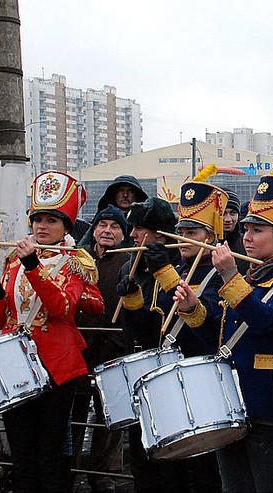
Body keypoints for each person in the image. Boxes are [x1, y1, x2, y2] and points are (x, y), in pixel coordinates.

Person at [0, 170, 103, 492]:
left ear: (66, 226)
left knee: (50, 453)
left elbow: (62, 308)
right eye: (38, 219)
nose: (41, 226)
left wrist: (33, 268)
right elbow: (2, 321)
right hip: (14, 366)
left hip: (54, 366)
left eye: (52, 220)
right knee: (21, 454)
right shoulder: (14, 260)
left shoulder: (75, 262)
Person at [211, 165, 273, 492]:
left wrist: (229, 276)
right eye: (246, 230)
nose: (246, 237)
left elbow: (264, 321)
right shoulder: (249, 278)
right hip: (233, 404)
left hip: (267, 407)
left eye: (257, 231)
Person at [145, 174, 228, 491]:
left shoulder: (222, 273)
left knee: (207, 469)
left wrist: (166, 276)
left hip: (205, 374)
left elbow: (210, 327)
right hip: (173, 370)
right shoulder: (178, 268)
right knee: (173, 467)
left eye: (190, 233)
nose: (181, 239)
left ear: (209, 236)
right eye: (179, 232)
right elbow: (159, 315)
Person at [114, 196, 181, 492]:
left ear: (159, 234)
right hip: (140, 366)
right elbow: (134, 328)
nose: (132, 236)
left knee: (174, 461)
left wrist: (164, 271)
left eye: (139, 228)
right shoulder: (130, 266)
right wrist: (131, 301)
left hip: (172, 373)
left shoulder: (177, 263)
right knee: (141, 457)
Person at [72, 204, 130, 493]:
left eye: (115, 226)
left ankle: (104, 473)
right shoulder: (77, 260)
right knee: (75, 411)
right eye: (102, 225)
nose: (107, 231)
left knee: (112, 415)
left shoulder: (129, 261)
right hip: (80, 346)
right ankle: (70, 468)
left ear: (124, 233)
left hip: (114, 347)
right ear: (94, 230)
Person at [78, 175, 148, 248]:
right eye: (121, 190)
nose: (125, 195)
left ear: (137, 195)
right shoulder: (103, 217)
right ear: (114, 194)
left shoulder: (144, 223)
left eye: (130, 191)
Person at [222, 187, 250, 274]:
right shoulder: (204, 245)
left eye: (233, 213)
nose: (228, 219)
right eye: (223, 213)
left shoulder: (247, 243)